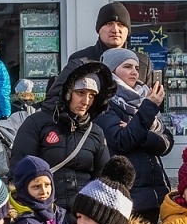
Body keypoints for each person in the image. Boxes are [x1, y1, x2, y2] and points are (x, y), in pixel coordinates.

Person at [10, 59, 114, 210]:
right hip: (45, 215)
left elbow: (104, 180)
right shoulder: (36, 123)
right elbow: (19, 173)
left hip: (84, 216)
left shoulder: (95, 132)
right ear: (66, 91)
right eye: (80, 93)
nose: (86, 101)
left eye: (92, 95)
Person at [97, 47, 174, 224]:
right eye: (127, 67)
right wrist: (148, 109)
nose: (134, 72)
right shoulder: (105, 103)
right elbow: (123, 140)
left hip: (153, 194)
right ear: (111, 70)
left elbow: (167, 143)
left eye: (137, 68)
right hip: (126, 195)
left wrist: (142, 134)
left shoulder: (144, 97)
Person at [59, 1, 155, 94]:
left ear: (128, 31)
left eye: (121, 25)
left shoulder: (143, 62)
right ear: (98, 29)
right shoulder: (80, 60)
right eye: (109, 24)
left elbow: (150, 99)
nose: (115, 30)